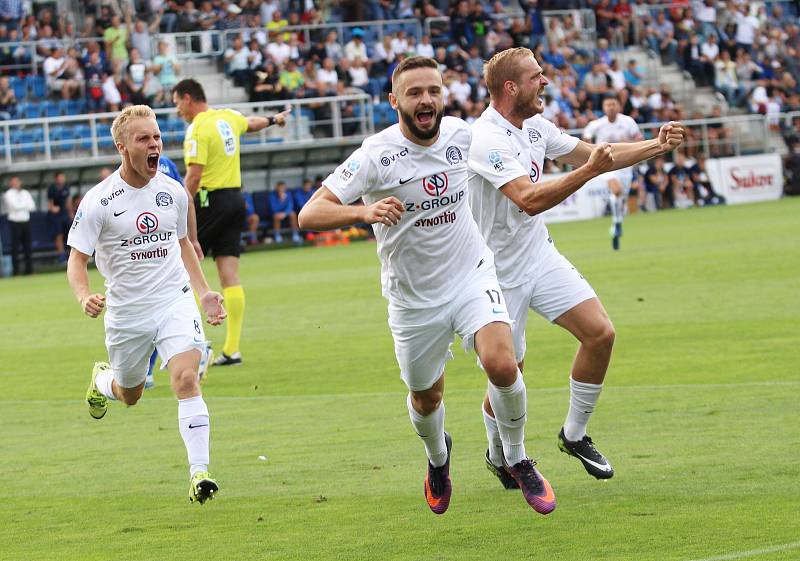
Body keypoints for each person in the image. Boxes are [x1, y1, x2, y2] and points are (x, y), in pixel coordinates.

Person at [299, 56, 559, 516]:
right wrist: (363, 212)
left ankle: (518, 458)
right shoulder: (375, 155)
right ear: (394, 100)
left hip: (471, 275)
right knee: (426, 396)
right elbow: (310, 214)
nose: (426, 100)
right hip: (413, 298)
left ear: (444, 95)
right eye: (415, 92)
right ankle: (438, 459)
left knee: (503, 363)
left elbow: (510, 145)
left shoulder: (463, 135)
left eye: (434, 91)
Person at [467, 47, 684, 484]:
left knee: (600, 333)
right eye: (536, 76)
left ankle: (574, 434)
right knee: (509, 373)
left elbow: (596, 154)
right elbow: (528, 199)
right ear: (511, 87)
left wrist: (655, 146)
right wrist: (589, 172)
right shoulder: (486, 137)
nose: (545, 81)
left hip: (538, 254)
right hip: (492, 271)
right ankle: (499, 453)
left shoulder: (535, 126)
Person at [67, 105, 227, 503]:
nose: (154, 144)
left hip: (174, 299)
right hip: (127, 313)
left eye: (156, 137)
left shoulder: (172, 191)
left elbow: (183, 244)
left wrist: (204, 291)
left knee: (186, 379)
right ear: (123, 147)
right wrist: (85, 295)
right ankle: (102, 381)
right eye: (144, 139)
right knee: (130, 394)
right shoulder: (99, 201)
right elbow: (76, 261)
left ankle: (199, 473)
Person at [172, 78, 289, 367]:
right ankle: (232, 349)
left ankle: (195, 346)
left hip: (209, 202)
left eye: (176, 103)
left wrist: (179, 206)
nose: (177, 110)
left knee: (180, 269)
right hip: (236, 199)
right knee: (230, 277)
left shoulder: (197, 129)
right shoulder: (227, 117)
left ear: (188, 98)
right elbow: (251, 122)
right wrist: (274, 119)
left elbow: (195, 176)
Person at [143, 154, 214, 389]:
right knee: (176, 297)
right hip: (172, 243)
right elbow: (189, 201)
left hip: (155, 249)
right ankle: (197, 345)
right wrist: (193, 239)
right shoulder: (169, 165)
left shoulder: (131, 170)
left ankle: (152, 368)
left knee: (158, 305)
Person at [582, 95, 644, 250]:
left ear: (619, 106)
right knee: (616, 190)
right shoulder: (596, 124)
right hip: (606, 164)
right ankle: (616, 223)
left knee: (620, 197)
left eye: (613, 104)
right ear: (603, 108)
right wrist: (593, 151)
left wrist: (626, 143)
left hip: (625, 165)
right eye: (607, 104)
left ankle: (617, 224)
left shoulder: (628, 122)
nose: (610, 107)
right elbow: (586, 138)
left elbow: (639, 140)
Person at [2, 176, 35, 275]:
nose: (16, 183)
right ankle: (16, 272)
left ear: (20, 182)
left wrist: (22, 206)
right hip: (15, 222)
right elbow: (14, 206)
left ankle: (29, 270)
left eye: (17, 181)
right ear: (11, 183)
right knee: (15, 248)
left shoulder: (25, 193)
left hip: (25, 221)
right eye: (14, 182)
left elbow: (32, 206)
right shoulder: (8, 194)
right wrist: (25, 205)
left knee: (28, 247)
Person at [47, 171, 73, 262]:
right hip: (55, 215)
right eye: (60, 177)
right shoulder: (52, 188)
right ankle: (61, 256)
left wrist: (70, 213)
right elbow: (50, 204)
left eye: (63, 177)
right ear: (56, 178)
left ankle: (72, 255)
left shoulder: (66, 187)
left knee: (71, 233)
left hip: (64, 213)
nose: (62, 179)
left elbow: (68, 201)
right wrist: (53, 208)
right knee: (59, 235)